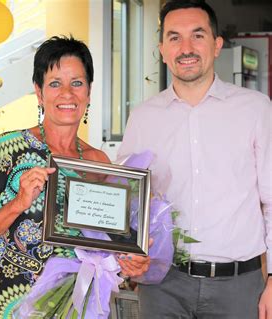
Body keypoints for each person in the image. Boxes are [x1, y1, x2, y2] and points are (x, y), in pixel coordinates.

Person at [0, 35, 151, 318]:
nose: (67, 94)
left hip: (76, 307)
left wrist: (131, 258)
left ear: (89, 92)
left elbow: (108, 245)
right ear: (39, 91)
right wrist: (18, 203)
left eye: (77, 83)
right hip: (11, 304)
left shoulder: (99, 163)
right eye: (55, 83)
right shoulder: (9, 149)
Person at [117, 1, 272, 318]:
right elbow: (128, 198)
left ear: (216, 45)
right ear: (162, 49)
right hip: (162, 286)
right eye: (174, 37)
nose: (185, 48)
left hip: (238, 286)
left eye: (197, 35)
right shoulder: (143, 118)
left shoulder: (256, 109)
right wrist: (128, 255)